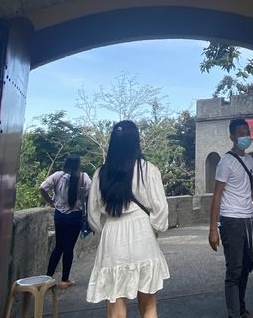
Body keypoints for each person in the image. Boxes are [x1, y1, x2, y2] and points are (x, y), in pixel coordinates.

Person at [86, 120, 169, 318]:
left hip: (113, 238)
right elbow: (160, 208)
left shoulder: (101, 173)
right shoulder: (148, 170)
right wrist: (156, 226)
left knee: (116, 305)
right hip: (142, 235)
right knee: (148, 306)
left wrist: (102, 227)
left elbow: (93, 215)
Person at [208, 118, 253, 318]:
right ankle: (234, 314)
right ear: (232, 137)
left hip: (247, 219)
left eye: (247, 132)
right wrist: (213, 229)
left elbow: (252, 189)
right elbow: (217, 195)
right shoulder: (225, 162)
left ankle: (241, 307)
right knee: (234, 269)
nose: (245, 136)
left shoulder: (249, 160)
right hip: (231, 220)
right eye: (241, 133)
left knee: (247, 266)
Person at [39, 154, 92, 287]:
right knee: (69, 247)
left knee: (59, 246)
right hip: (75, 216)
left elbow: (42, 188)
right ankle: (64, 279)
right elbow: (91, 193)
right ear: (78, 164)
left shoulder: (57, 175)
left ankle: (48, 278)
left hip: (60, 215)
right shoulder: (83, 177)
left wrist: (51, 202)